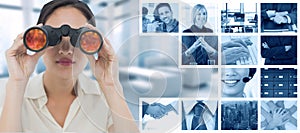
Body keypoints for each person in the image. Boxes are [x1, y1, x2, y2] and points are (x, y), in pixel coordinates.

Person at [0, 0, 139, 132]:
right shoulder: (7, 92)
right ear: (40, 39)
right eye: (53, 38)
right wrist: (17, 84)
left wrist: (111, 86)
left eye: (80, 39)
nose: (66, 50)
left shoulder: (106, 98)